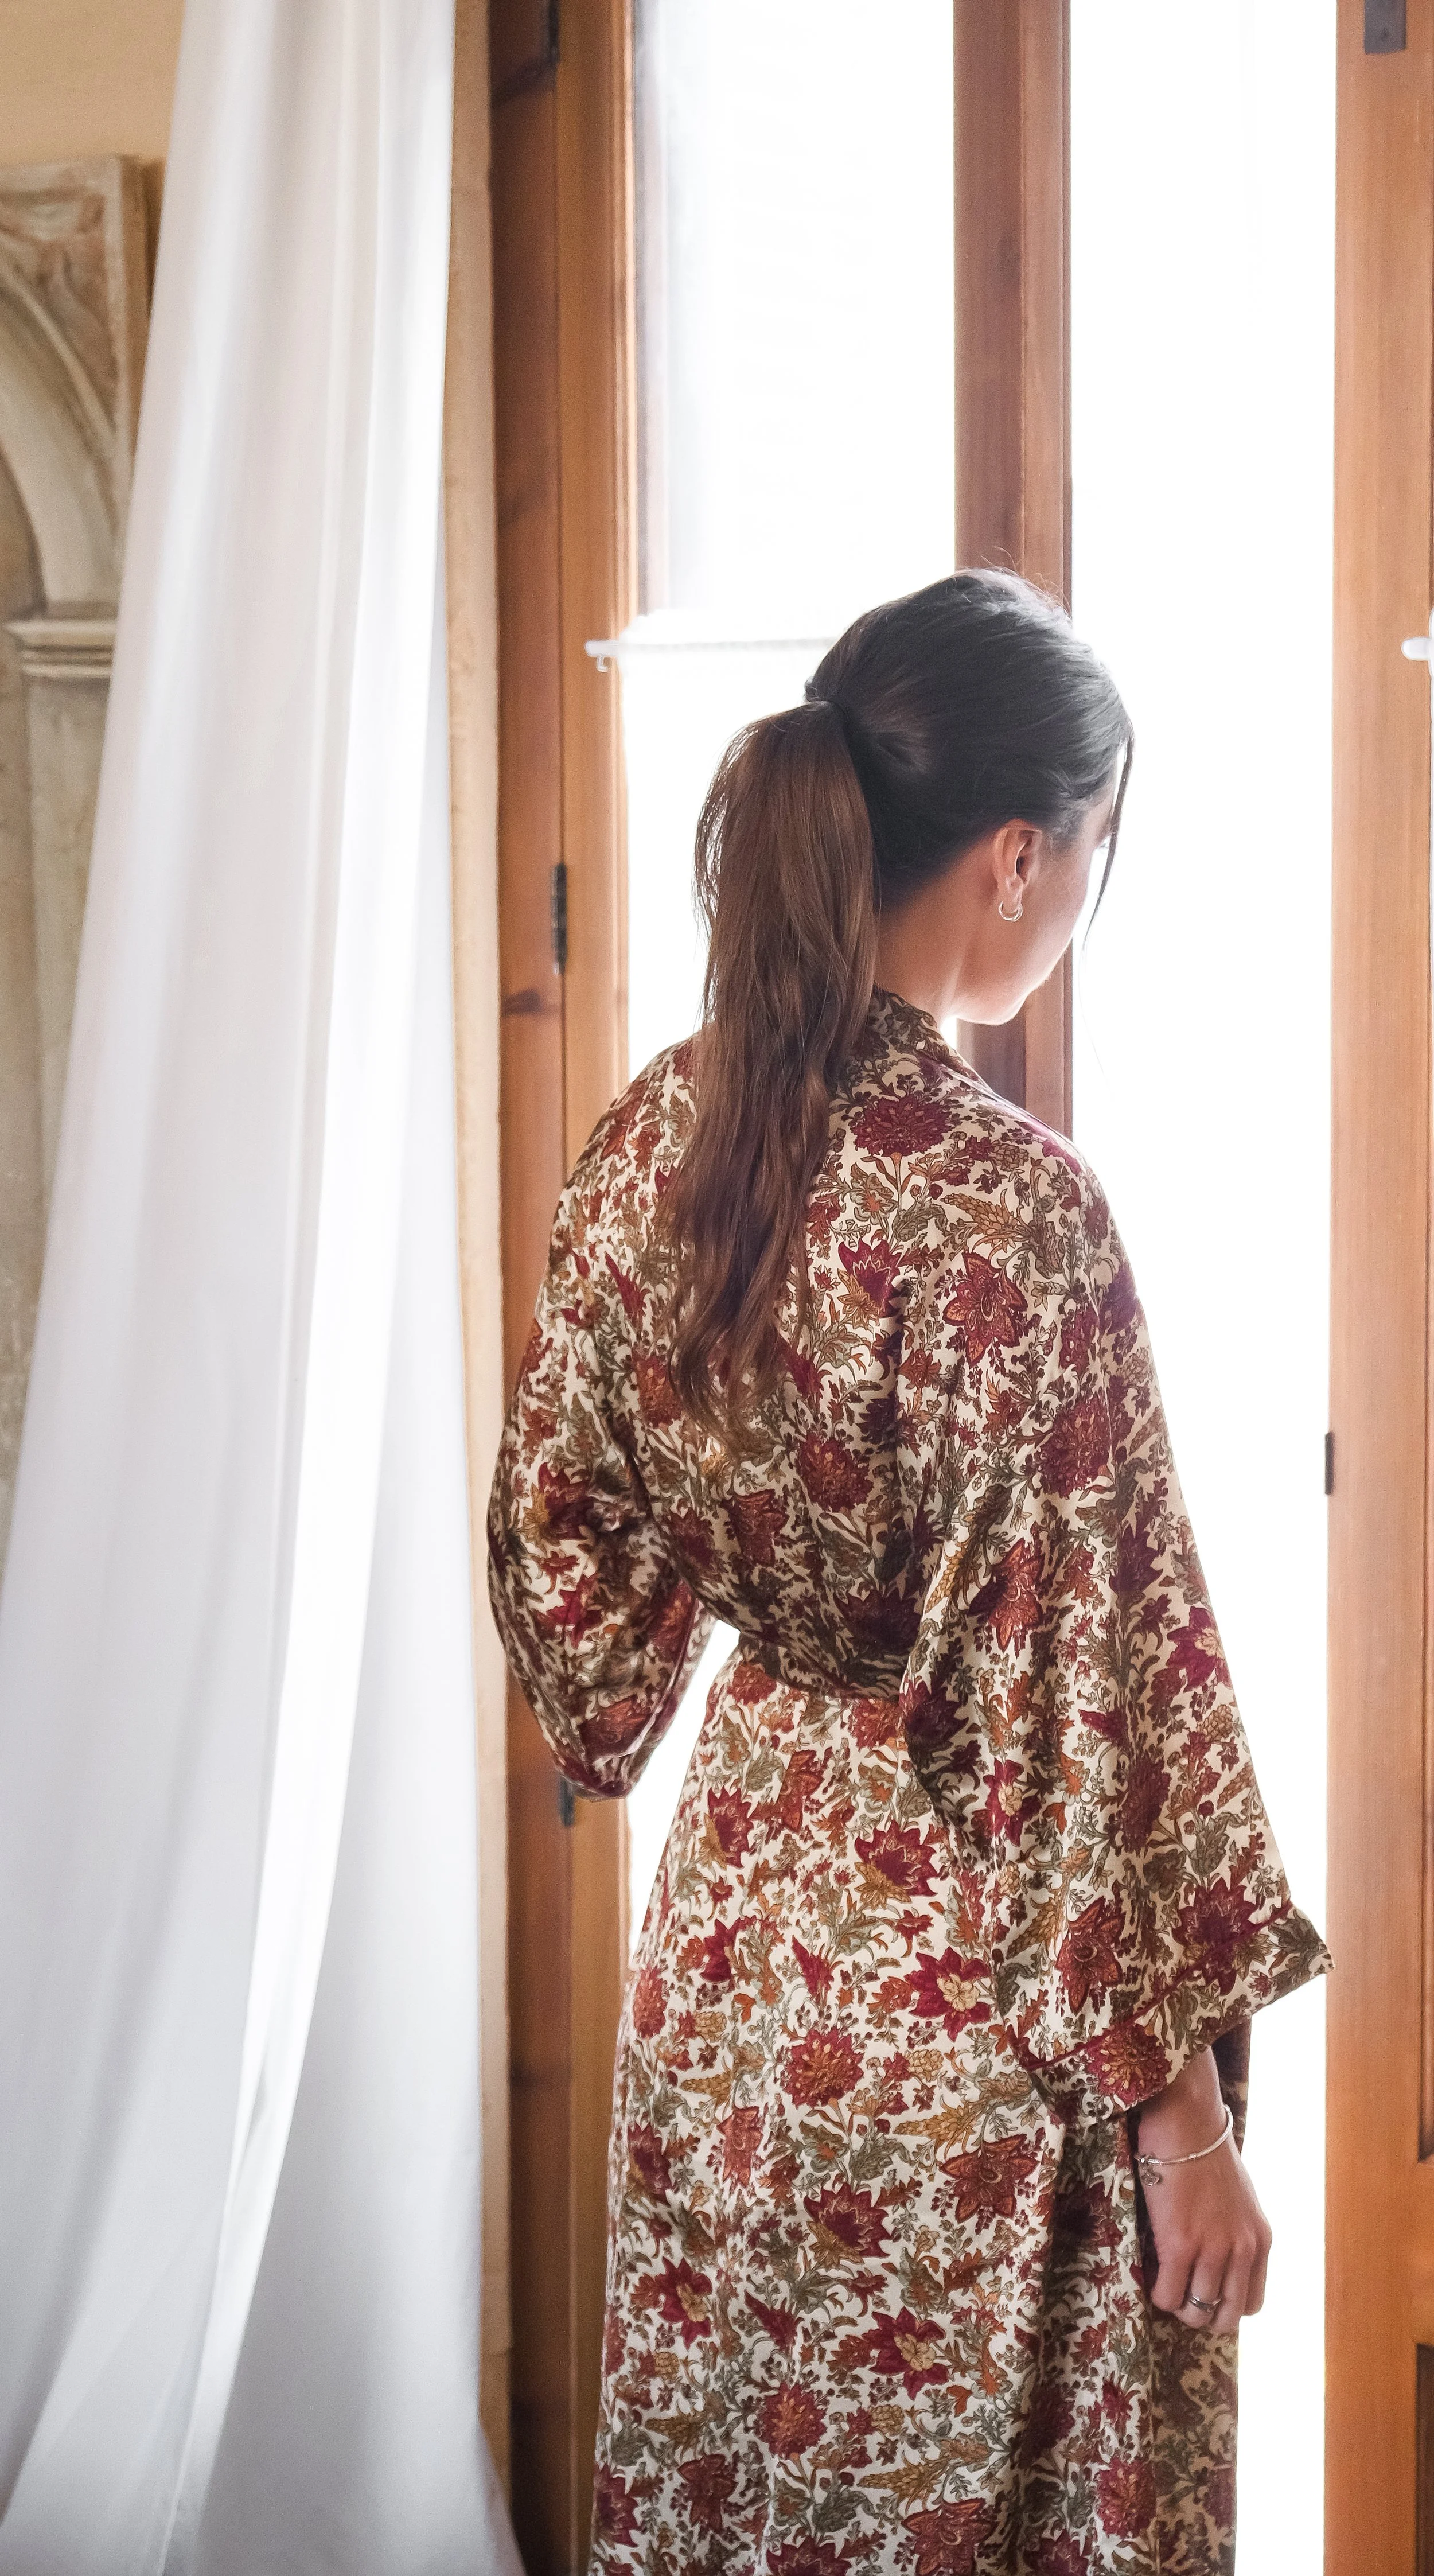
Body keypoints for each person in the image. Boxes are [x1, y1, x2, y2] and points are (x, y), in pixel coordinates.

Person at [487, 571, 1330, 2575]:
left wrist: (722, 1637)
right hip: (966, 2009)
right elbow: (1080, 1709)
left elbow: (556, 1536)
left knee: (750, 2490)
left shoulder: (656, 1134)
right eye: (1095, 851)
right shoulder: (1012, 1216)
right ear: (1019, 853)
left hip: (736, 1961)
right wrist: (1181, 2125)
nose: (1082, 898)